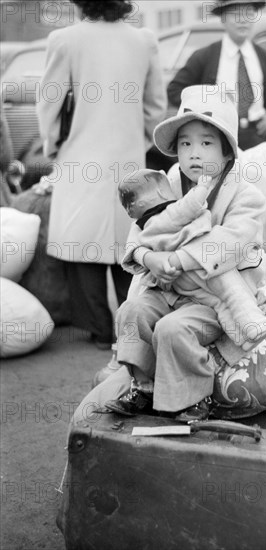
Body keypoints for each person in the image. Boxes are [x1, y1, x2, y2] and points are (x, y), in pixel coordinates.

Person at [105, 85, 266, 421]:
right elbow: (141, 231)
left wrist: (176, 259)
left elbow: (228, 241)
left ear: (227, 154)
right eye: (185, 143)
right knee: (132, 311)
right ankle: (144, 386)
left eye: (207, 143)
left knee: (172, 329)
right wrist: (150, 258)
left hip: (213, 296)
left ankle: (194, 398)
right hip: (169, 288)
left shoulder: (246, 195)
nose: (194, 153)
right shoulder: (168, 184)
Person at [37, 0, 167, 349]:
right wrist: (137, 141)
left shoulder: (65, 39)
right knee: (130, 242)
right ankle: (134, 326)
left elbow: (49, 101)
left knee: (83, 245)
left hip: (80, 155)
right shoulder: (144, 41)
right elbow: (156, 106)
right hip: (128, 155)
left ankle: (97, 328)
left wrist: (53, 146)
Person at [118, 168, 266, 350]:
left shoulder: (145, 224)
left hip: (178, 280)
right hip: (202, 266)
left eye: (206, 143)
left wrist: (149, 256)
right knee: (232, 292)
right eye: (185, 144)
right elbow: (191, 205)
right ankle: (254, 324)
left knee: (217, 304)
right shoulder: (172, 210)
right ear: (161, 192)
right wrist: (203, 186)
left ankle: (240, 338)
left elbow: (133, 243)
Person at [167, 0, 266, 151]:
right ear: (223, 19)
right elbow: (174, 90)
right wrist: (202, 110)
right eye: (236, 14)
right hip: (218, 135)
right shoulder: (205, 56)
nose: (243, 20)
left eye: (249, 14)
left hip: (257, 135)